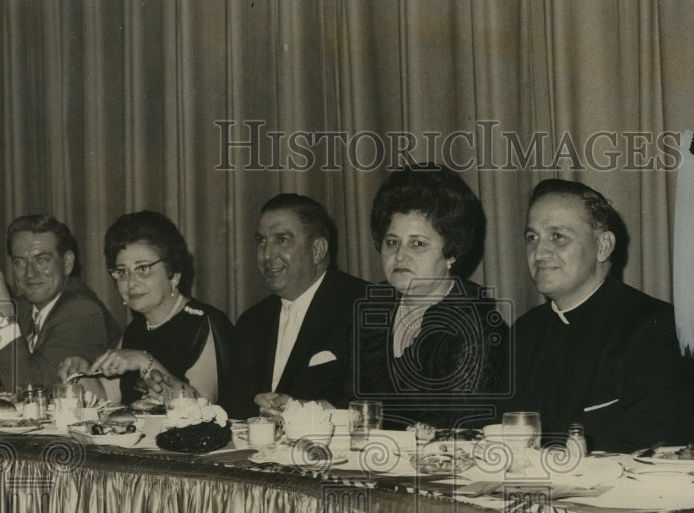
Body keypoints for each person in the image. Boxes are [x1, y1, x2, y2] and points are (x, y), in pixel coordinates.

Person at [509, 179, 694, 452]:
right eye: (532, 238)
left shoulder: (662, 330)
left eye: (558, 237)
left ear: (603, 246)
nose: (539, 253)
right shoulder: (523, 332)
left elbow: (656, 450)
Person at [353, 163, 508, 429]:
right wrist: (307, 408)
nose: (400, 255)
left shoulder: (477, 329)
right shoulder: (375, 309)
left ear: (451, 253)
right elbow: (353, 403)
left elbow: (462, 431)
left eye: (418, 244)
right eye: (392, 242)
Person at [59, 211, 233, 405]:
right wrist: (81, 375)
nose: (131, 283)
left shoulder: (203, 322)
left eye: (143, 269)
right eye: (122, 272)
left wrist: (143, 361)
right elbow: (107, 398)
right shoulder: (136, 329)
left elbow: (201, 406)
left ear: (173, 274)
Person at [224, 194, 368, 419]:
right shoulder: (251, 321)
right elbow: (232, 405)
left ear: (318, 250)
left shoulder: (363, 305)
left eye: (282, 240)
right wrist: (256, 406)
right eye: (261, 240)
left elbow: (370, 401)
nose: (267, 255)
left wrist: (297, 409)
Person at [0, 214, 119, 393]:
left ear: (67, 263)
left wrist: (3, 312)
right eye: (19, 262)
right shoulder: (25, 306)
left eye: (42, 260)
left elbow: (33, 390)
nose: (30, 273)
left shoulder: (83, 311)